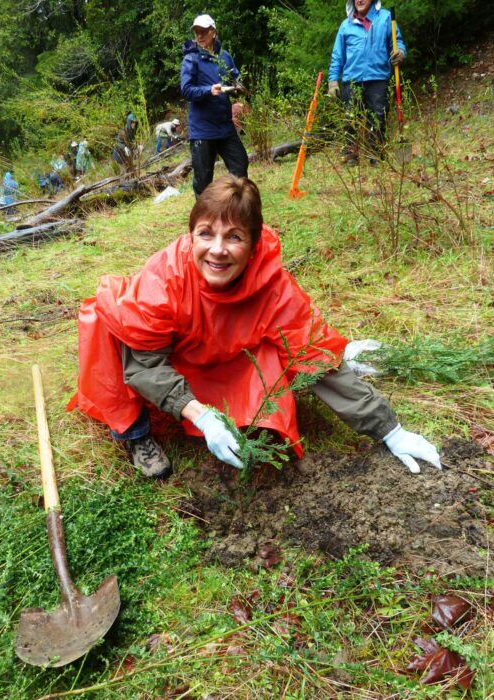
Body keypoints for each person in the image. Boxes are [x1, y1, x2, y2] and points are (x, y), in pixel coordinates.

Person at [68, 175, 441, 480]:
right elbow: (145, 366)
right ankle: (135, 433)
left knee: (278, 351)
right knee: (105, 321)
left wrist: (389, 429)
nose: (217, 250)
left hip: (215, 351)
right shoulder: (164, 280)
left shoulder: (274, 289)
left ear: (253, 242)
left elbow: (317, 359)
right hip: (167, 351)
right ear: (190, 235)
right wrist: (201, 414)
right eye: (205, 234)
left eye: (234, 237)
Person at [328, 0, 406, 165]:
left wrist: (400, 52)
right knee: (351, 119)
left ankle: (375, 155)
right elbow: (337, 55)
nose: (360, 0)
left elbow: (397, 42)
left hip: (378, 78)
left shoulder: (385, 18)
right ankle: (351, 155)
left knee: (378, 118)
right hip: (351, 80)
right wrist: (333, 81)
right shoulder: (346, 25)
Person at [181, 14, 249, 197]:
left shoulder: (224, 57)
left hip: (225, 127)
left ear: (213, 32)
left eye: (203, 31)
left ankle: (237, 210)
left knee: (240, 167)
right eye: (196, 32)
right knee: (203, 181)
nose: (199, 36)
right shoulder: (191, 59)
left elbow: (235, 78)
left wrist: (238, 90)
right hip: (202, 130)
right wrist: (208, 90)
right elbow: (186, 90)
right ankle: (204, 223)